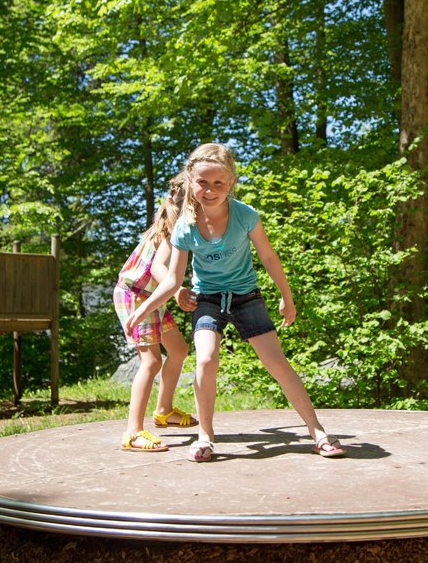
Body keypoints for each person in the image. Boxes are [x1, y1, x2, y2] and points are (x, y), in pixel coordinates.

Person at [126, 143, 345, 462]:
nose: (210, 190)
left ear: (230, 183)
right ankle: (205, 437)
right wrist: (144, 310)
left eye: (218, 183)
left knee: (278, 364)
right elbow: (173, 279)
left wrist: (287, 297)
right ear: (190, 181)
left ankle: (318, 432)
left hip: (246, 297)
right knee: (205, 360)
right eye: (203, 182)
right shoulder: (185, 226)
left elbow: (268, 257)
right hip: (209, 301)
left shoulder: (245, 215)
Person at [113, 176, 198, 452]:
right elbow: (159, 268)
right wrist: (177, 292)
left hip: (150, 296)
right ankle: (133, 432)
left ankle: (163, 410)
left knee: (179, 349)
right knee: (150, 361)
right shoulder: (174, 230)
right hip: (135, 295)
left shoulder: (169, 223)